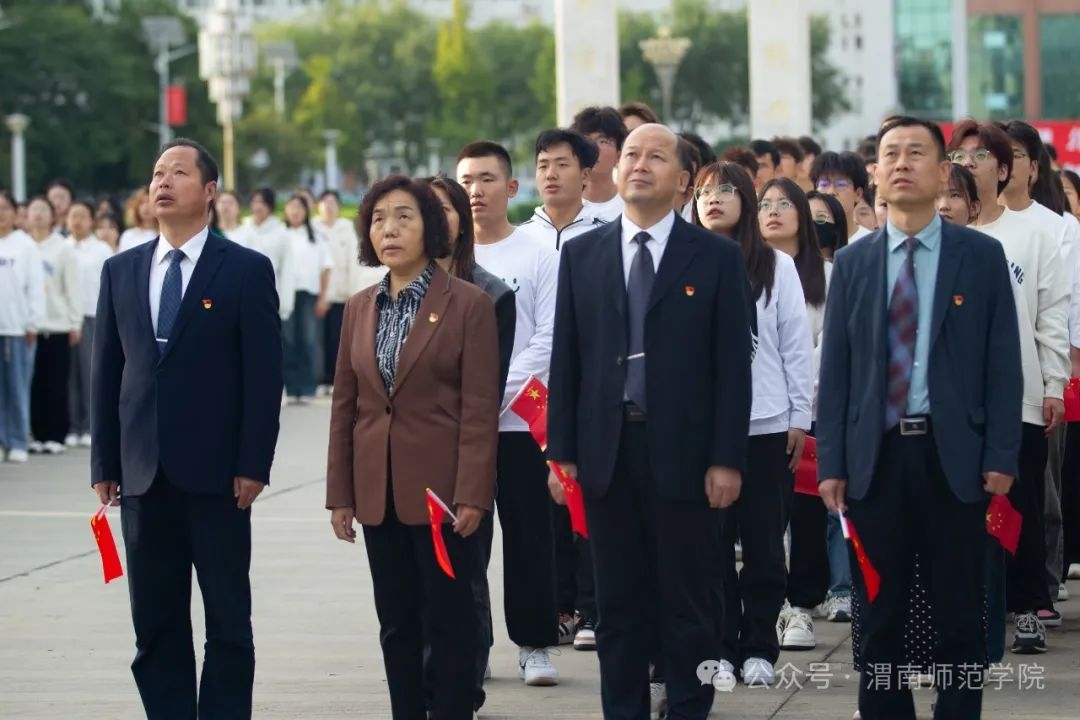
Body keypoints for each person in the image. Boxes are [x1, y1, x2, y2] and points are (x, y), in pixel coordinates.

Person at [818, 115, 1023, 720]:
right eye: (890, 154)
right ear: (876, 175)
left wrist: (1001, 454)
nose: (902, 163)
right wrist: (832, 462)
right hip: (875, 459)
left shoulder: (979, 256)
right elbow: (837, 371)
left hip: (954, 458)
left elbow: (1002, 362)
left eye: (916, 153)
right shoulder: (854, 263)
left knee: (959, 613)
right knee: (879, 615)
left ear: (941, 172)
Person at [547, 123, 754, 720]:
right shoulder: (582, 253)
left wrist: (727, 458)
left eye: (656, 157)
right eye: (631, 155)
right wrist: (561, 453)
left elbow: (731, 369)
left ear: (684, 179)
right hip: (606, 455)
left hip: (686, 457)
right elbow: (568, 359)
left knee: (689, 600)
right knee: (617, 606)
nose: (640, 164)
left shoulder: (715, 257)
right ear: (614, 173)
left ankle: (689, 706)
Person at [91, 138, 283, 719]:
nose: (163, 182)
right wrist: (105, 463)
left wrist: (253, 463)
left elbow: (263, 377)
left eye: (178, 172)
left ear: (210, 191)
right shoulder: (120, 270)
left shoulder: (244, 269)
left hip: (219, 477)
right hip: (142, 476)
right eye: (157, 173)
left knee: (227, 619)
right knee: (154, 620)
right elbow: (107, 373)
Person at [326, 175, 499, 720]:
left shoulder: (468, 305)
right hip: (378, 494)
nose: (390, 229)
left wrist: (472, 493)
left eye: (404, 216)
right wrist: (341, 494)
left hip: (443, 497)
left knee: (450, 620)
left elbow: (479, 410)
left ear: (431, 227)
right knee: (396, 621)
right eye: (378, 219)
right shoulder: (359, 307)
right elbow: (346, 406)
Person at [949, 119, 1069, 652]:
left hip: (1019, 394)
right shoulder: (941, 233)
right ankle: (972, 608)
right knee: (961, 509)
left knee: (1019, 506)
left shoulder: (1035, 234)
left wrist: (1053, 383)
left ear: (1004, 169)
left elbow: (1051, 315)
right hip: (954, 400)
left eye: (981, 157)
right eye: (961, 156)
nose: (969, 165)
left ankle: (1028, 607)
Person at [692, 164, 813, 686]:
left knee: (764, 545)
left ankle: (760, 645)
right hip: (703, 428)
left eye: (725, 190)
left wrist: (799, 415)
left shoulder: (775, 265)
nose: (713, 199)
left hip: (766, 424)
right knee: (710, 545)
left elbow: (795, 345)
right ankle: (720, 646)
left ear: (745, 199)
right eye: (703, 192)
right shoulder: (685, 261)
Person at [456, 140, 562, 686]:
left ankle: (535, 643)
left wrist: (493, 392)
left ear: (511, 187)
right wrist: (471, 400)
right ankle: (470, 649)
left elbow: (549, 338)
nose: (476, 191)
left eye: (487, 179)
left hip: (524, 418)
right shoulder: (447, 261)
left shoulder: (539, 254)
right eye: (466, 181)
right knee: (465, 540)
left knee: (529, 536)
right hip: (460, 427)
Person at [755, 177, 835, 651]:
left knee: (806, 516)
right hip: (763, 415)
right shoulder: (745, 268)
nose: (773, 211)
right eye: (765, 203)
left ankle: (801, 606)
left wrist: (800, 405)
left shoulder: (828, 275)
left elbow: (821, 347)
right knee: (766, 523)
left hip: (811, 413)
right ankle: (766, 609)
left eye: (785, 203)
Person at [25, 196, 81, 455]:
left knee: (56, 382)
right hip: (29, 327)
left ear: (52, 216)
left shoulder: (62, 248)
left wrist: (74, 322)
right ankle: (37, 434)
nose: (38, 214)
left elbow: (72, 288)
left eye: (43, 210)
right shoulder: (24, 247)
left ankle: (57, 435)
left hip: (58, 325)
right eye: (33, 209)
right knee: (35, 383)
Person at [317, 190, 380, 393]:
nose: (328, 207)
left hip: (341, 293)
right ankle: (320, 379)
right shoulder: (314, 229)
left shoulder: (346, 230)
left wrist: (353, 293)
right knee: (318, 340)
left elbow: (353, 264)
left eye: (332, 203)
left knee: (336, 338)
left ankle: (334, 379)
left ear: (338, 207)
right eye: (325, 202)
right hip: (318, 295)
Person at [0, 189, 45, 464]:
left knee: (16, 388)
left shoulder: (25, 245)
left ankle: (17, 440)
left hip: (16, 329)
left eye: (5, 208)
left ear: (16, 213)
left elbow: (35, 288)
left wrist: (33, 322)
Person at [66, 200, 112, 448]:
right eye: (73, 216)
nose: (77, 221)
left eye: (82, 216)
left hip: (93, 315)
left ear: (92, 220)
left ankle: (89, 426)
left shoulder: (101, 249)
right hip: (66, 318)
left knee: (90, 373)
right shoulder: (63, 247)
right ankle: (72, 425)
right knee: (69, 376)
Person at [281, 194, 333, 403]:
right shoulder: (281, 235)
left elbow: (326, 268)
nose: (295, 211)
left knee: (309, 340)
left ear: (306, 211)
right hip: (285, 294)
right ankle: (291, 387)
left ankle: (308, 387)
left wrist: (323, 297)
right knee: (288, 340)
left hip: (309, 294)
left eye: (299, 207)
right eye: (291, 207)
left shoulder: (317, 237)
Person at [519, 128, 605, 251]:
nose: (550, 175)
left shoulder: (607, 237)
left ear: (585, 175)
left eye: (562, 165)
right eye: (543, 166)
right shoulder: (519, 238)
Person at [236, 188, 296, 321]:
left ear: (270, 206)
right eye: (255, 202)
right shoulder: (243, 229)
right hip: (242, 296)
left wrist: (285, 305)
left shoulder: (281, 232)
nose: (258, 207)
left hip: (270, 295)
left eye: (262, 202)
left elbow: (287, 270)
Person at [571, 106, 628, 222]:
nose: (593, 147)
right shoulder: (564, 205)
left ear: (619, 155)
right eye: (586, 140)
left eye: (603, 141)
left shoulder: (631, 205)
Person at [811, 151, 873, 243]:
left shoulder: (871, 242)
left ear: (858, 194)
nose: (831, 192)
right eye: (824, 184)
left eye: (841, 184)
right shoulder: (807, 242)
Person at [807, 190, 849, 260]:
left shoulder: (848, 265)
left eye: (821, 217)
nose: (812, 223)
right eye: (807, 217)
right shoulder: (790, 264)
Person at [118, 187, 160, 252]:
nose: (146, 207)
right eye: (142, 203)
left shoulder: (165, 235)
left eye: (149, 202)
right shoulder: (128, 236)